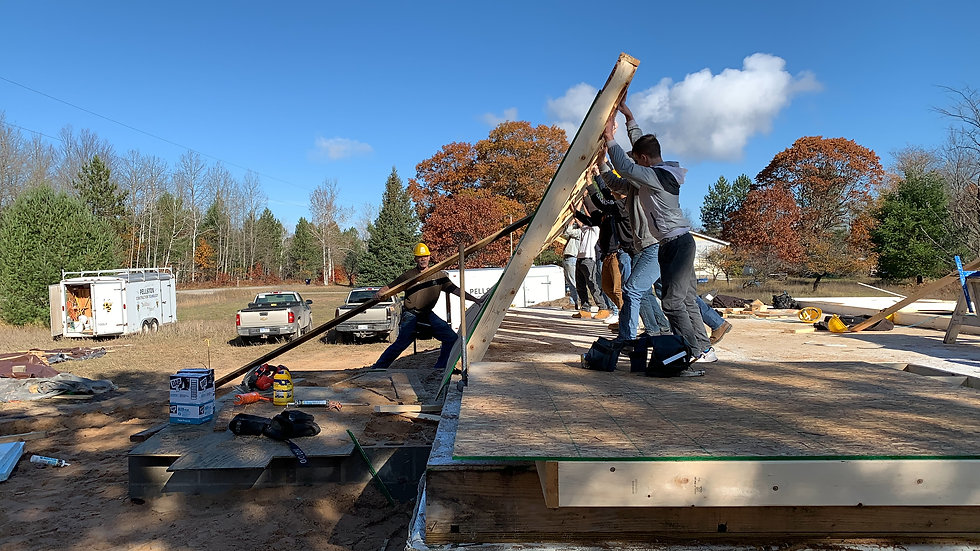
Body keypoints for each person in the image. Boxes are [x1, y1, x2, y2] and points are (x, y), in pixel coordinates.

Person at [601, 101, 713, 362]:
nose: (635, 162)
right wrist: (629, 118)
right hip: (672, 244)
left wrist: (609, 139)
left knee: (672, 303)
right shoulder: (654, 174)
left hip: (676, 244)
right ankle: (704, 349)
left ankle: (691, 352)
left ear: (643, 160)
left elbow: (627, 167)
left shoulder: (659, 177)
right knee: (686, 299)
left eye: (637, 159)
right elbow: (636, 159)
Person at [370, 243, 484, 372]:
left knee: (450, 338)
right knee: (401, 343)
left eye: (425, 256)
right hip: (411, 315)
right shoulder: (409, 275)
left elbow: (455, 290)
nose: (423, 259)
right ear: (415, 259)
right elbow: (390, 287)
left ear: (429, 257)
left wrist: (475, 299)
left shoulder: (438, 275)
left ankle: (440, 368)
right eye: (420, 257)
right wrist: (380, 292)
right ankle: (377, 369)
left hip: (427, 314)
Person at [571, 196, 612, 319]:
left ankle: (603, 307)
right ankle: (585, 309)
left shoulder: (596, 228)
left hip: (589, 259)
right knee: (580, 286)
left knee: (593, 284)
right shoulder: (585, 229)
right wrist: (576, 208)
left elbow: (591, 216)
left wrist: (585, 204)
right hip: (580, 258)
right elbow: (578, 219)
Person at [561, 222, 581, 310]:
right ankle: (574, 302)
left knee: (573, 281)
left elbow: (569, 231)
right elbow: (565, 233)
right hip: (568, 258)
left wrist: (572, 221)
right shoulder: (575, 231)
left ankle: (575, 302)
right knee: (570, 281)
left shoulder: (580, 231)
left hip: (572, 257)